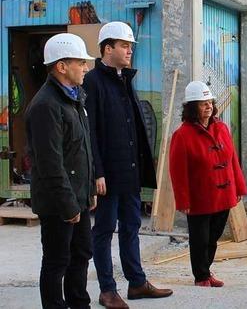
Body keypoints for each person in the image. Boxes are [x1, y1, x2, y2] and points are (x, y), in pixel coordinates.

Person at [83, 21, 172, 308]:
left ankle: (137, 283)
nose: (129, 50)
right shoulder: (93, 82)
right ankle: (107, 290)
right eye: (124, 45)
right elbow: (90, 131)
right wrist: (97, 172)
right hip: (108, 175)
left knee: (132, 225)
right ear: (107, 48)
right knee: (104, 230)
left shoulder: (125, 80)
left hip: (129, 172)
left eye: (130, 45)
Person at [25, 33, 96, 308]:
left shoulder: (74, 99)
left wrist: (89, 190)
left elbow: (81, 150)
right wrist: (68, 206)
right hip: (58, 204)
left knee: (81, 254)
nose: (86, 68)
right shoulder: (46, 106)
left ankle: (80, 304)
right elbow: (50, 164)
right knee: (57, 261)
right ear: (61, 66)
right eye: (81, 62)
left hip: (77, 197)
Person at [169, 81, 247, 287]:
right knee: (200, 239)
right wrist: (183, 200)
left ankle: (206, 270)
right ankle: (201, 276)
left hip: (224, 194)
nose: (208, 106)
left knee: (214, 237)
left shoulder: (221, 128)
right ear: (191, 107)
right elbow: (177, 172)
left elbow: (232, 160)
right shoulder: (182, 135)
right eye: (202, 103)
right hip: (199, 197)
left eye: (210, 102)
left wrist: (239, 187)